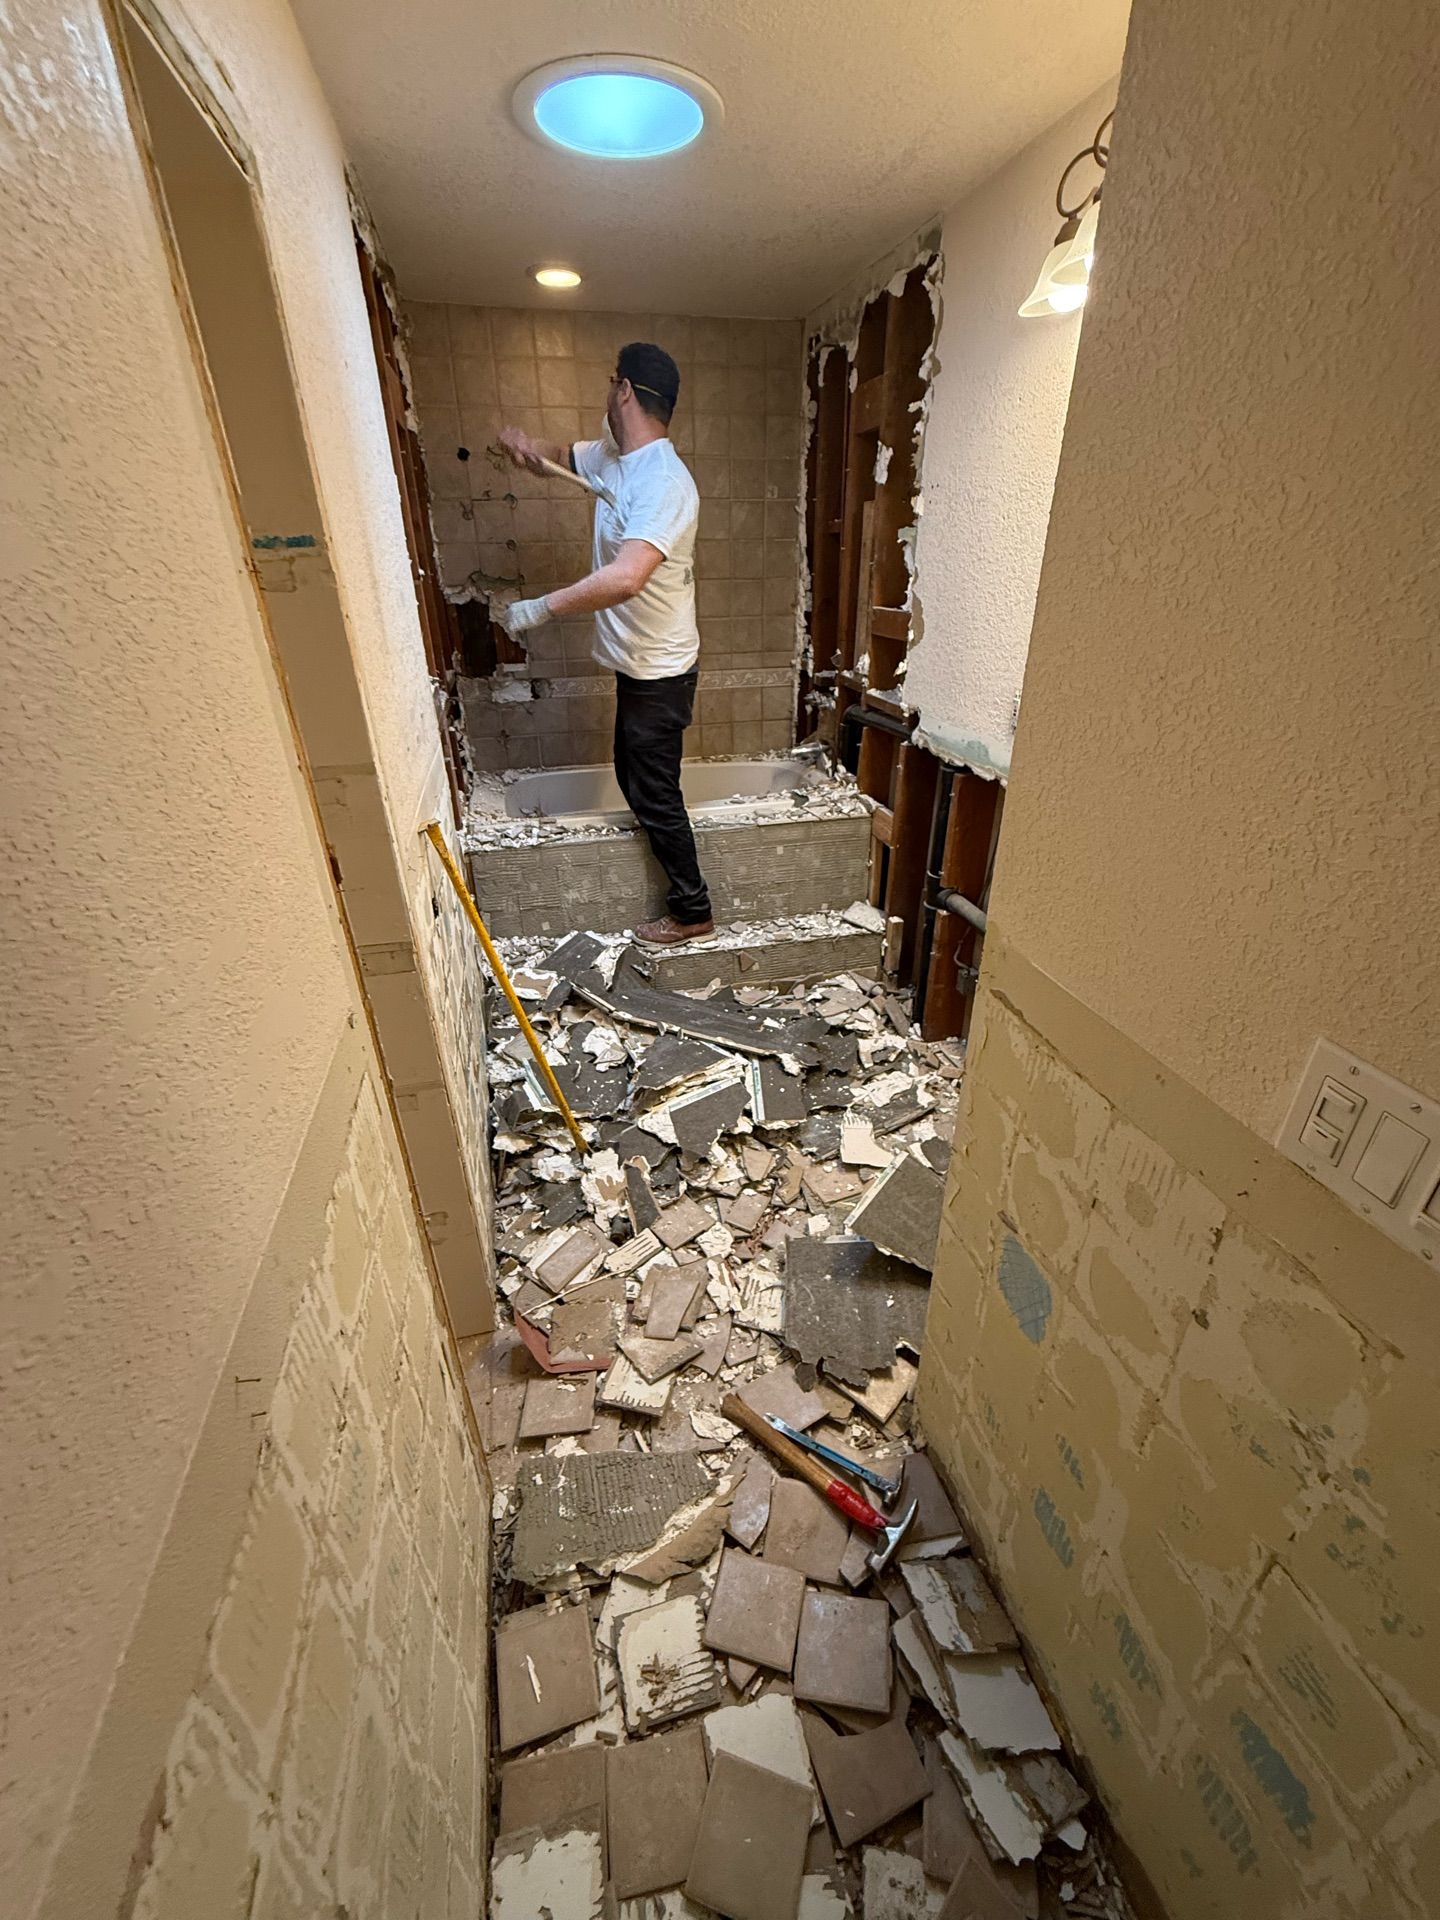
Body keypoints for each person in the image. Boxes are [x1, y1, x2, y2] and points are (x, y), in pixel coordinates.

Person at [496, 343, 714, 946]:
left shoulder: (665, 481)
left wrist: (541, 608)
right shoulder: (611, 458)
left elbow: (627, 577)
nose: (606, 392)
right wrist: (526, 449)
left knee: (654, 789)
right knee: (633, 774)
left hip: (661, 672)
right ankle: (686, 896)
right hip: (636, 665)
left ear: (623, 391)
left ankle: (693, 910)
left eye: (610, 383)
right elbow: (557, 456)